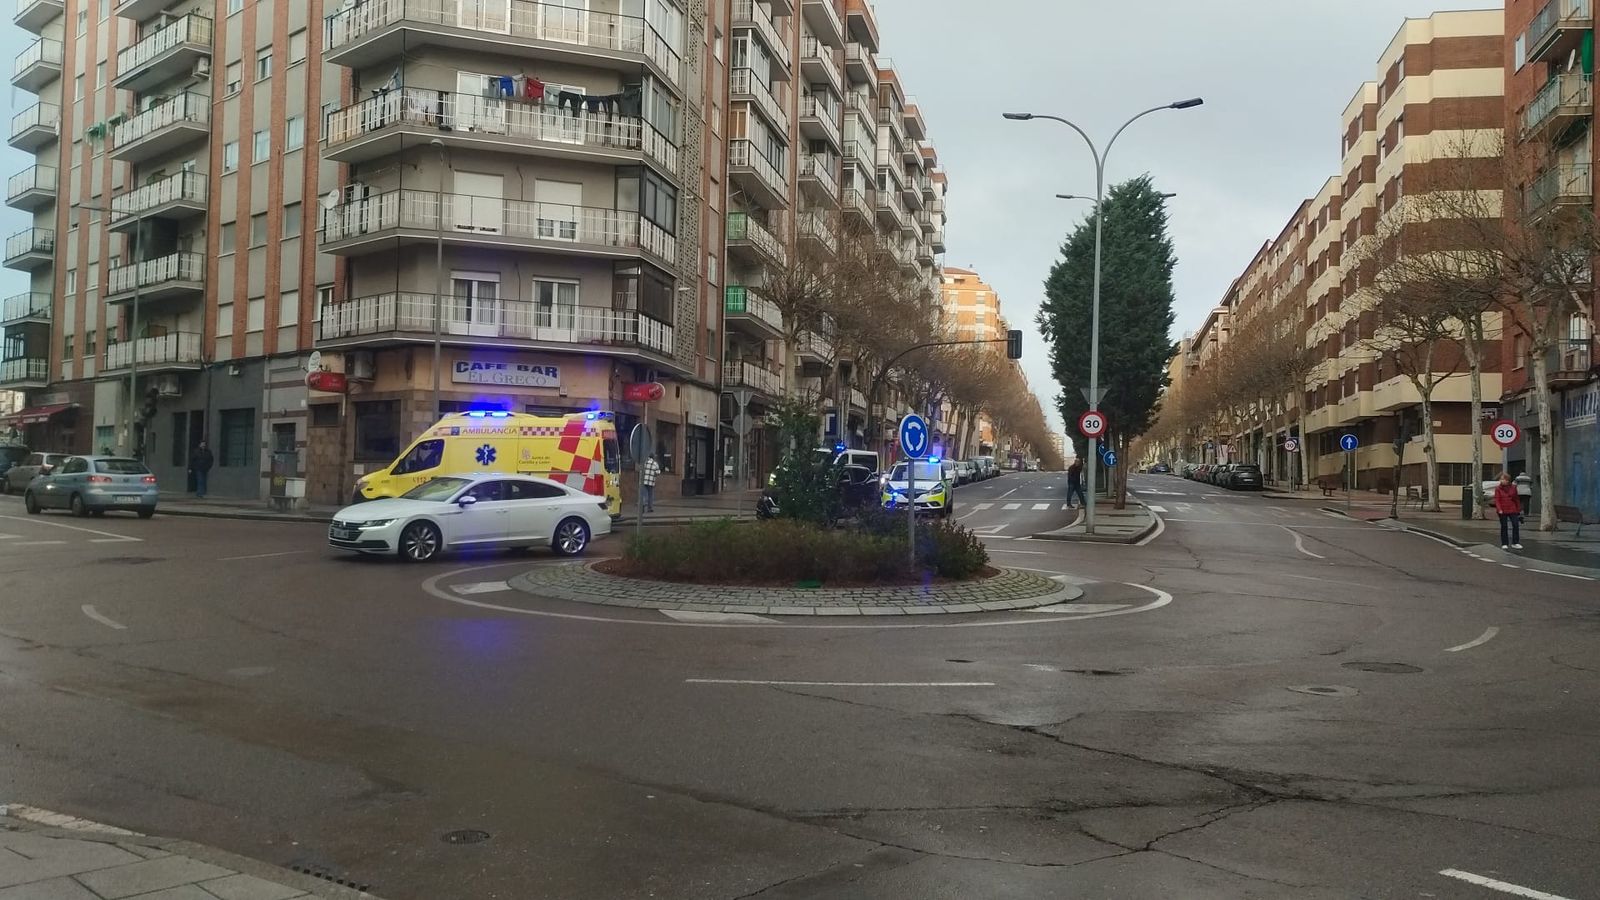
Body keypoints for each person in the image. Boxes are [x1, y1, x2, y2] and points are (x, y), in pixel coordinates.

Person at [1493, 471, 1522, 550]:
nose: (1502, 481)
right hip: (1502, 510)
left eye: (1504, 479)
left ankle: (1515, 542)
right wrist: (1499, 509)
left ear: (1508, 480)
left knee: (1515, 525)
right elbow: (1497, 499)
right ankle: (1504, 543)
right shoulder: (1498, 489)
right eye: (1501, 479)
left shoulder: (1513, 488)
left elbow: (1516, 499)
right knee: (1504, 526)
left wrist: (1518, 509)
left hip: (1512, 509)